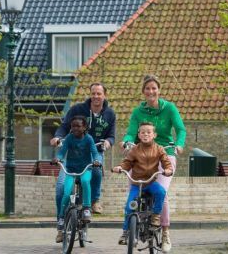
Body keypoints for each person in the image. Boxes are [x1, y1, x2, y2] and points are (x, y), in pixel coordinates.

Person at [119, 74, 186, 252]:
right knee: (134, 189)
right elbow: (131, 132)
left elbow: (180, 129)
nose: (151, 91)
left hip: (165, 154)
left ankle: (165, 233)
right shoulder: (137, 112)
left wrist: (179, 144)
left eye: (154, 88)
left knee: (161, 192)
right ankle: (131, 225)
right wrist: (126, 141)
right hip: (141, 155)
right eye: (147, 88)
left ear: (159, 90)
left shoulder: (169, 108)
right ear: (143, 91)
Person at [50, 82, 115, 215]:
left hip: (95, 151)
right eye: (93, 93)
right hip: (74, 152)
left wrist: (108, 142)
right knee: (61, 188)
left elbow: (112, 136)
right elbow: (64, 126)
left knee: (96, 170)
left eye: (99, 93)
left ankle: (94, 200)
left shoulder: (110, 114)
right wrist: (58, 137)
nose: (96, 96)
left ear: (104, 95)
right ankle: (60, 222)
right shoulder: (77, 109)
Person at [112, 121, 173, 245]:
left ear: (154, 135)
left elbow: (166, 161)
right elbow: (127, 162)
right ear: (139, 135)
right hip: (137, 183)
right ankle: (125, 232)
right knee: (129, 205)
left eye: (149, 132)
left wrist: (168, 169)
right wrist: (120, 167)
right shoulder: (134, 150)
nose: (146, 135)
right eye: (143, 132)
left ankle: (156, 215)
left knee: (161, 192)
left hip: (151, 182)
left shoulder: (159, 149)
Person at [52, 115, 101, 243]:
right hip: (71, 170)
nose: (75, 128)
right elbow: (62, 151)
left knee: (85, 181)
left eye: (78, 126)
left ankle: (86, 208)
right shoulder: (69, 138)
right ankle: (62, 217)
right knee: (66, 192)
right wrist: (58, 158)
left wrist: (96, 160)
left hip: (85, 169)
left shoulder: (89, 139)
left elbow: (95, 152)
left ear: (84, 127)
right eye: (73, 126)